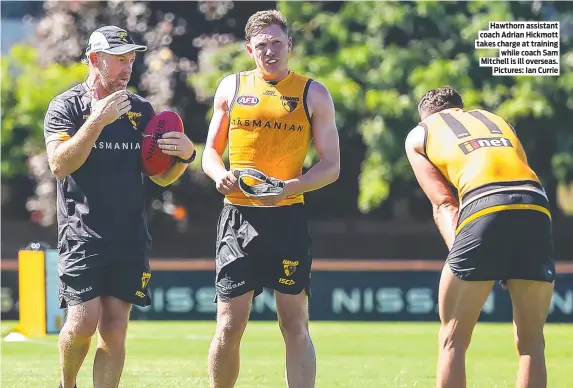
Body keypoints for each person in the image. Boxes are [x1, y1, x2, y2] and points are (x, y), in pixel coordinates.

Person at [44, 26, 196, 388]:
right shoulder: (66, 106)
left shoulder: (141, 111)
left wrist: (185, 157)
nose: (127, 69)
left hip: (129, 235)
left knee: (114, 328)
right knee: (81, 323)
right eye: (118, 61)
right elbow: (59, 165)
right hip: (82, 235)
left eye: (131, 60)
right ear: (95, 60)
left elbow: (159, 178)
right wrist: (98, 119)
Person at [201, 9, 340, 388]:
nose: (270, 51)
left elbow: (331, 167)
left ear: (289, 45)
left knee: (294, 323)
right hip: (238, 220)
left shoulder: (313, 92)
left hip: (287, 218)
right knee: (229, 324)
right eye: (262, 45)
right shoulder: (232, 87)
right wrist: (220, 175)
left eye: (277, 43)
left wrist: (291, 187)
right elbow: (209, 154)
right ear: (249, 49)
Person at [405, 86, 555, 388]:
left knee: (452, 339)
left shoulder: (420, 133)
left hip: (485, 204)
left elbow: (444, 203)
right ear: (460, 107)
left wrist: (465, 254)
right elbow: (518, 175)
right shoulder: (498, 120)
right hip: (536, 206)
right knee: (531, 341)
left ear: (426, 115)